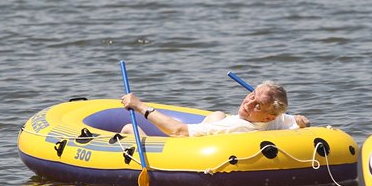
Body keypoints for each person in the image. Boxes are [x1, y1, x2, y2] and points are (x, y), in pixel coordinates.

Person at [120, 80, 310, 137]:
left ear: (268, 117)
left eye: (257, 105)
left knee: (130, 128)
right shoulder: (276, 120)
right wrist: (301, 121)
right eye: (252, 95)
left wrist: (139, 106)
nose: (248, 103)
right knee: (217, 114)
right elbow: (299, 121)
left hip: (182, 150)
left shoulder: (237, 127)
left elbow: (178, 131)